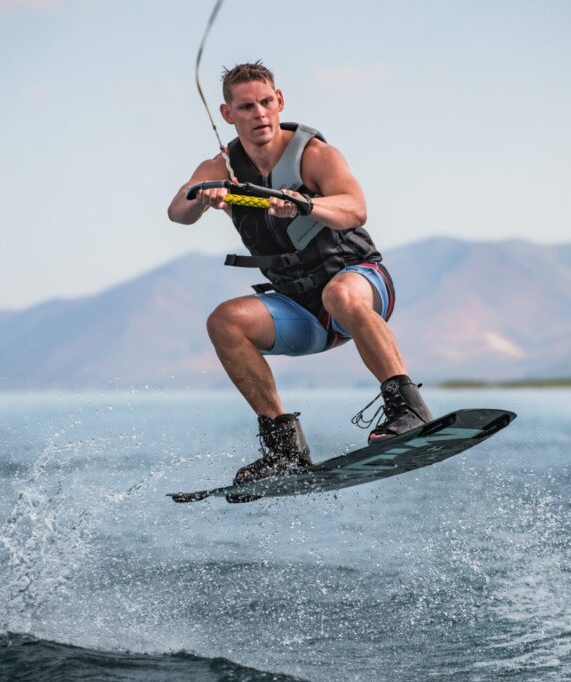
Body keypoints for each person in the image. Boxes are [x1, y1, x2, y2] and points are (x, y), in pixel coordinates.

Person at [167, 62, 432, 489]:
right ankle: (284, 449)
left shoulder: (313, 155)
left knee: (339, 295)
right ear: (227, 113)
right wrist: (204, 196)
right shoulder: (222, 166)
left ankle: (410, 409)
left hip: (359, 284)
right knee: (224, 320)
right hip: (301, 309)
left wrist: (307, 205)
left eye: (266, 103)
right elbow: (178, 212)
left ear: (280, 101)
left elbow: (356, 208)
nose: (259, 114)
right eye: (247, 106)